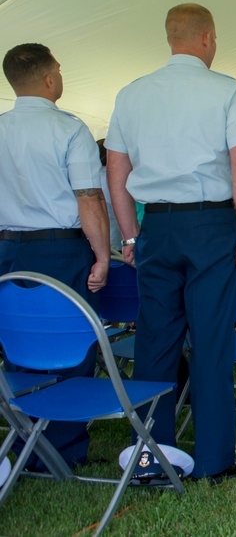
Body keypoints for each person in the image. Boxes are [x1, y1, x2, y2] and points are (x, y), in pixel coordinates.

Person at [105, 3, 236, 482]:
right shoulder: (228, 90)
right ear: (208, 38)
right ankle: (214, 459)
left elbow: (116, 174)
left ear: (170, 37)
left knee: (155, 339)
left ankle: (151, 454)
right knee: (211, 340)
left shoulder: (131, 94)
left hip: (156, 226)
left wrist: (131, 233)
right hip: (211, 225)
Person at [0, 43, 110, 469]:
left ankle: (24, 442)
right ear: (49, 79)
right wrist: (102, 254)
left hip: (8, 249)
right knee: (72, 347)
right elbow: (88, 198)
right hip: (61, 248)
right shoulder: (69, 129)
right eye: (60, 70)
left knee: (19, 345)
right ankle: (61, 451)